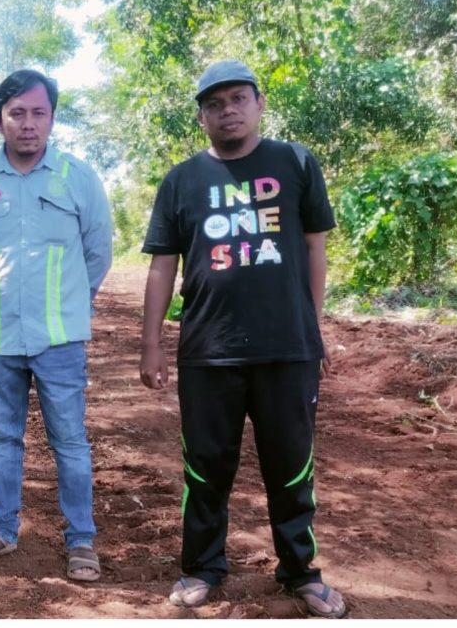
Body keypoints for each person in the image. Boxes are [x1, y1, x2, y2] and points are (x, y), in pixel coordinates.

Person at [137, 62, 347, 619]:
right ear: (202, 116)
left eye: (237, 98)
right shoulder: (181, 180)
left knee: (291, 465)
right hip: (208, 349)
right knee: (205, 467)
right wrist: (151, 343)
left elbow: (315, 249)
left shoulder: (296, 162)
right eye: (214, 103)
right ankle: (201, 568)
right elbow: (162, 266)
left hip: (287, 348)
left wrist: (314, 326)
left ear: (258, 104)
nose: (227, 109)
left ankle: (301, 571)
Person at [0, 70, 113, 583]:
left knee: (70, 440)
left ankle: (81, 539)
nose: (27, 124)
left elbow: (98, 252)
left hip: (60, 337)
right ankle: (2, 529)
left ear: (51, 118)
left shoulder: (77, 177)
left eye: (38, 113)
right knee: (3, 439)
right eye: (16, 113)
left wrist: (70, 302)